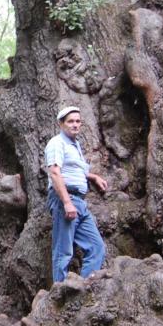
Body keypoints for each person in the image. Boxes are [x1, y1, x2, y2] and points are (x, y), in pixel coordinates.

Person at [45, 106, 108, 283]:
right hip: (65, 199)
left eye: (78, 121)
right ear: (61, 124)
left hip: (79, 202)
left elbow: (74, 169)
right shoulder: (57, 143)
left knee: (96, 246)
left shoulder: (75, 145)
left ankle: (84, 289)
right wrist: (66, 202)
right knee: (63, 251)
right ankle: (60, 292)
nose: (75, 125)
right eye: (70, 121)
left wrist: (93, 176)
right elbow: (55, 172)